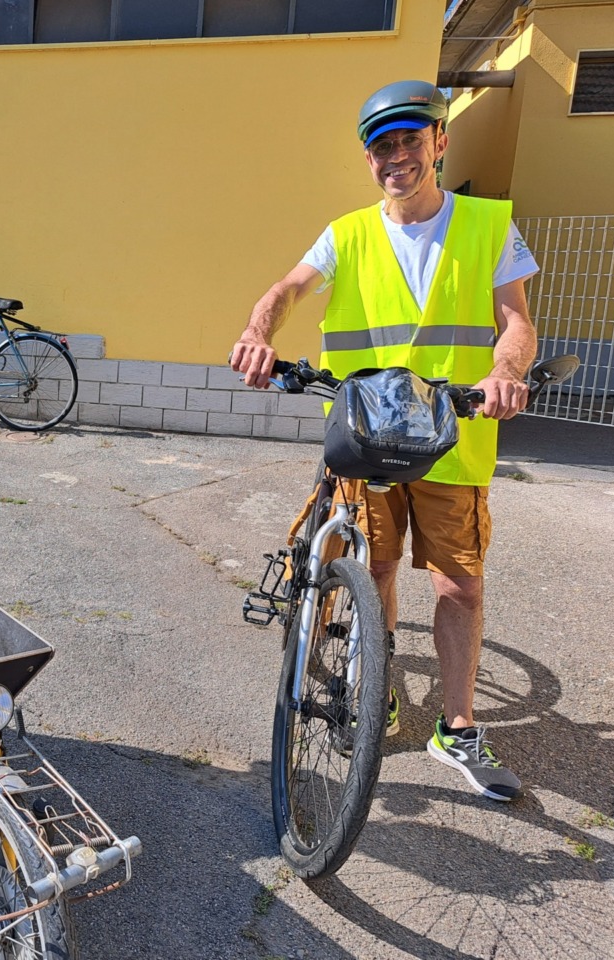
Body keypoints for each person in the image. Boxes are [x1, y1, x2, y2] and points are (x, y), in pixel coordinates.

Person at [229, 80, 540, 802]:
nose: (396, 155)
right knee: (373, 574)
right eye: (381, 145)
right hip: (366, 433)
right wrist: (257, 331)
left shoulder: (490, 225)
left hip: (453, 434)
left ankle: (456, 728)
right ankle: (379, 689)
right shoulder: (345, 234)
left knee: (459, 584)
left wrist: (506, 370)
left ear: (440, 142)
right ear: (368, 158)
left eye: (410, 139)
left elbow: (515, 322)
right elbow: (286, 289)